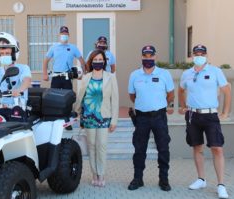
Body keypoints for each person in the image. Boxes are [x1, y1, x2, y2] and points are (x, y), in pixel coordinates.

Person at [178, 44, 231, 199]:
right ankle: (201, 179)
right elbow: (181, 90)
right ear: (192, 55)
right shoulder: (187, 73)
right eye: (196, 53)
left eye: (202, 53)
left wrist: (225, 112)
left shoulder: (215, 71)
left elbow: (227, 90)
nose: (199, 55)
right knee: (197, 147)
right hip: (193, 115)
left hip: (210, 115)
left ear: (206, 55)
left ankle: (221, 185)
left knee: (217, 148)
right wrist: (183, 107)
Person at [127, 45, 175, 191]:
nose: (148, 59)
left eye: (150, 56)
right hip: (141, 118)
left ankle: (164, 179)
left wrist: (160, 105)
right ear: (141, 57)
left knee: (163, 148)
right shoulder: (134, 75)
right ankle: (138, 178)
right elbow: (132, 96)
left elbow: (171, 94)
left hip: (159, 117)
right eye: (145, 56)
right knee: (139, 149)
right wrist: (145, 104)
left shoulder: (164, 74)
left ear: (155, 56)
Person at [75, 49, 119, 187]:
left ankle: (101, 174)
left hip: (103, 117)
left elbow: (115, 100)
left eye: (101, 60)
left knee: (102, 146)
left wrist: (114, 120)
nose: (98, 62)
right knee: (92, 146)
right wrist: (79, 116)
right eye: (96, 60)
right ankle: (94, 173)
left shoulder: (110, 77)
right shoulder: (86, 77)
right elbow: (81, 97)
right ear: (91, 61)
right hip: (88, 117)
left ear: (104, 62)